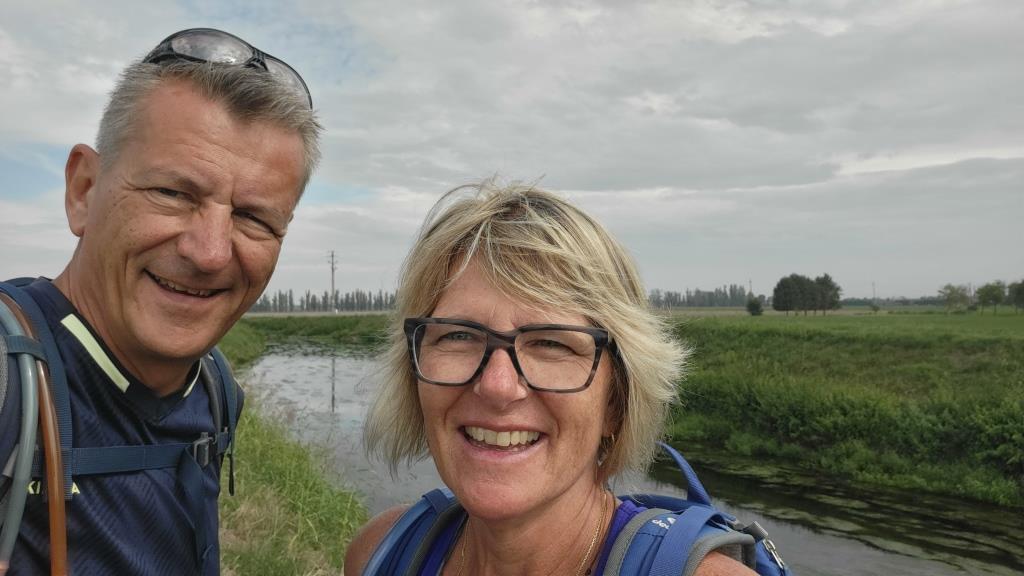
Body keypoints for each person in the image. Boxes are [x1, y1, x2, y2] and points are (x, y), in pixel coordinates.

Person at [0, 28, 320, 575]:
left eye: (253, 217)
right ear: (83, 190)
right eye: (172, 193)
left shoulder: (215, 388)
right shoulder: (12, 380)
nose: (211, 253)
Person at [345, 181, 759, 575]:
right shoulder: (381, 554)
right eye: (458, 336)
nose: (498, 386)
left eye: (551, 343)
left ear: (615, 402)